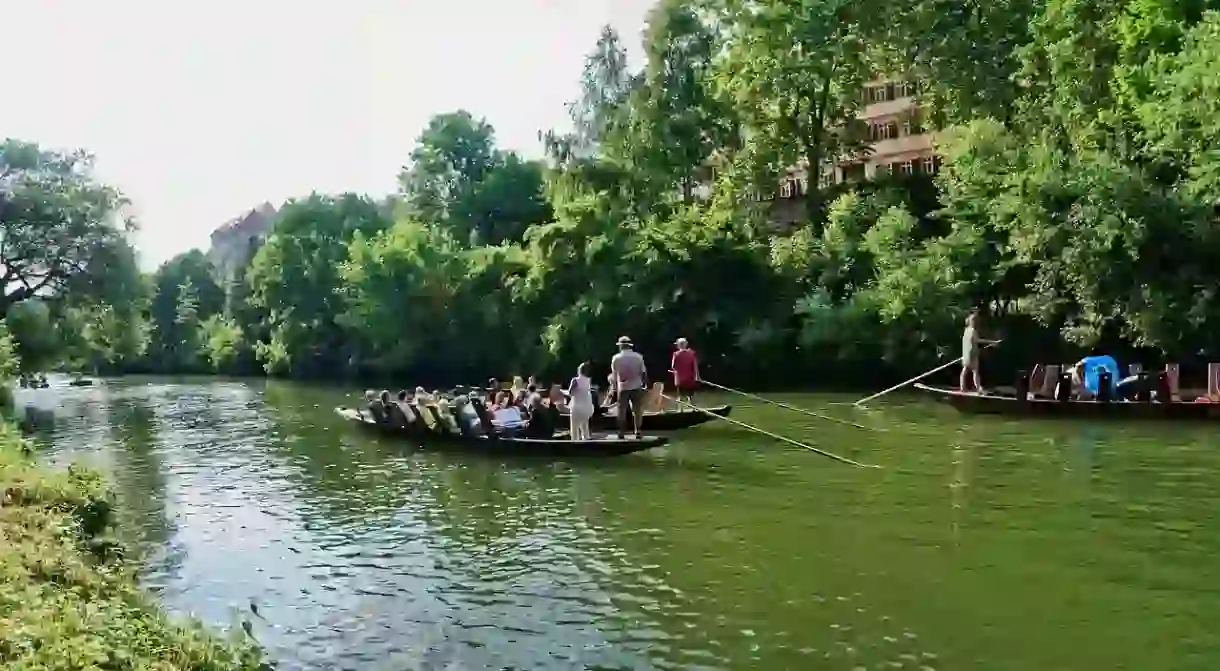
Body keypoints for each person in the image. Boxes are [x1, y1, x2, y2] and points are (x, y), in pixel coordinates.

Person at [610, 336, 648, 439]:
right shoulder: (638, 357)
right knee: (637, 410)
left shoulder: (616, 358)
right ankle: (638, 431)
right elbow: (643, 373)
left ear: (621, 346)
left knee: (621, 411)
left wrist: (613, 388)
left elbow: (614, 375)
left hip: (622, 387)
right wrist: (645, 385)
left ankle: (621, 432)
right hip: (636, 386)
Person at [959, 312, 997, 393]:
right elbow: (976, 340)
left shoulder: (966, 330)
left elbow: (970, 342)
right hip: (971, 353)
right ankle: (977, 388)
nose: (975, 322)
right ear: (970, 321)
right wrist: (991, 342)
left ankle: (965, 387)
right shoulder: (972, 331)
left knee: (969, 370)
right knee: (973, 371)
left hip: (967, 353)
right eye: (973, 320)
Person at [567, 362, 596, 441]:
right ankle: (586, 438)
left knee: (574, 426)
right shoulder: (588, 380)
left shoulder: (575, 380)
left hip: (577, 406)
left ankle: (574, 440)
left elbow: (570, 392)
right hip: (586, 406)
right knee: (584, 424)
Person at [671, 337, 700, 409]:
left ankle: (680, 410)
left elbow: (673, 366)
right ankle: (694, 409)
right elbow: (695, 366)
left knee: (680, 396)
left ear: (679, 345)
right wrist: (697, 377)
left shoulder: (676, 354)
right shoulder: (692, 353)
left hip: (680, 380)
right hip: (690, 379)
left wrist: (676, 371)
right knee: (691, 396)